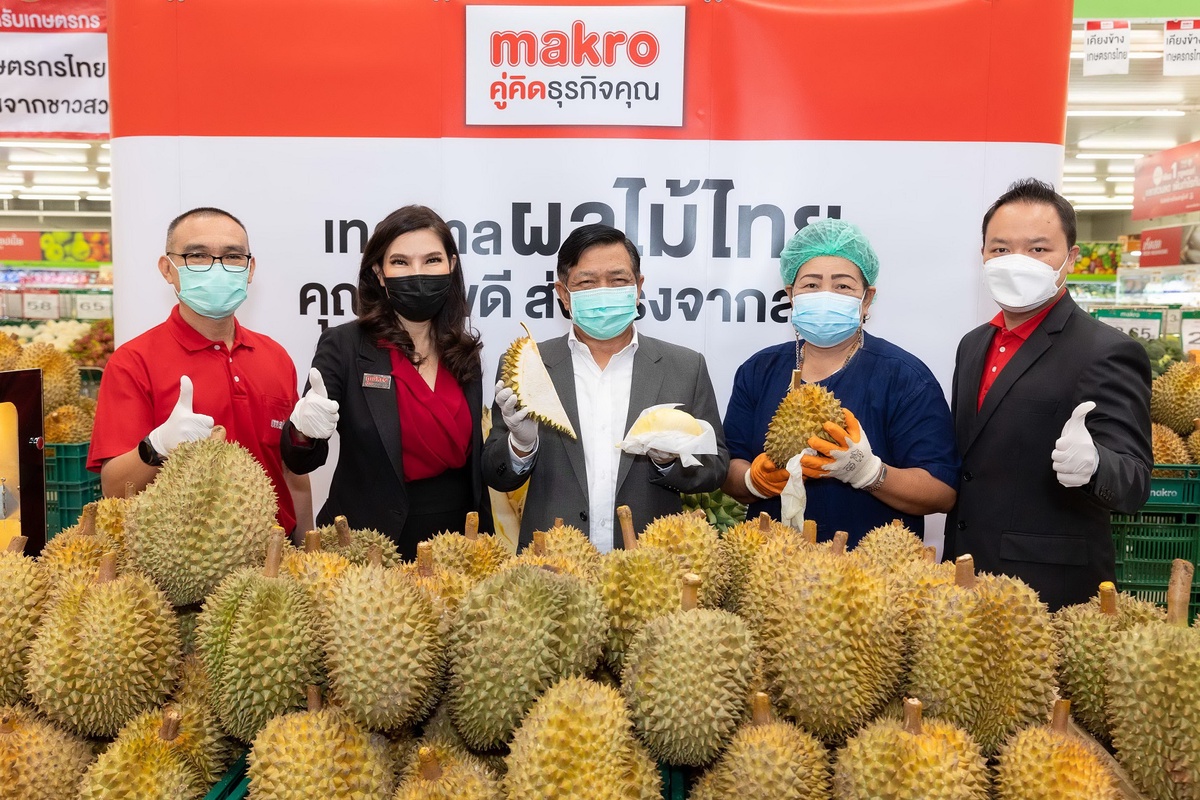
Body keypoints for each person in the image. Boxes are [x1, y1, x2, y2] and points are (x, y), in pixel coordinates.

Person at [945, 178, 1152, 611]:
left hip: (1049, 591)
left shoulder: (1107, 351)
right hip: (964, 578)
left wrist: (1096, 466)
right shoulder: (973, 344)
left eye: (1038, 249)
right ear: (982, 255)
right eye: (999, 249)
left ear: (1070, 258)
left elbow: (1133, 483)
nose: (1016, 261)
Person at [482, 223, 729, 552]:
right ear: (564, 295)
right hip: (551, 570)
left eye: (618, 280)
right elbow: (496, 474)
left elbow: (715, 468)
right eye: (587, 282)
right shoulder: (529, 366)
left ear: (638, 287)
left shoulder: (685, 367)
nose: (604, 290)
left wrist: (669, 461)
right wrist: (520, 445)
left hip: (651, 571)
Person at [722, 218, 958, 545]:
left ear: (867, 298)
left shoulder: (904, 377)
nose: (826, 294)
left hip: (868, 579)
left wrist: (869, 473)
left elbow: (941, 492)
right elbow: (729, 468)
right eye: (811, 285)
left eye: (843, 286)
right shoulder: (759, 370)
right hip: (771, 571)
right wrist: (753, 480)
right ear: (791, 294)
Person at [280, 205, 492, 559]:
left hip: (457, 546)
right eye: (400, 262)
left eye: (432, 260)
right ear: (378, 272)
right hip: (366, 545)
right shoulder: (344, 345)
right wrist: (303, 431)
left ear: (451, 266)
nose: (418, 273)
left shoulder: (463, 350)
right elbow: (300, 461)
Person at [88, 207, 312, 534]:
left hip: (276, 555)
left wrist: (307, 547)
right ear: (168, 269)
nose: (216, 267)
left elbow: (291, 473)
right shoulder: (133, 362)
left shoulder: (275, 357)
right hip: (184, 562)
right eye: (198, 255)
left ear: (250, 269)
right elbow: (114, 490)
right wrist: (158, 446)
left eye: (233, 256)